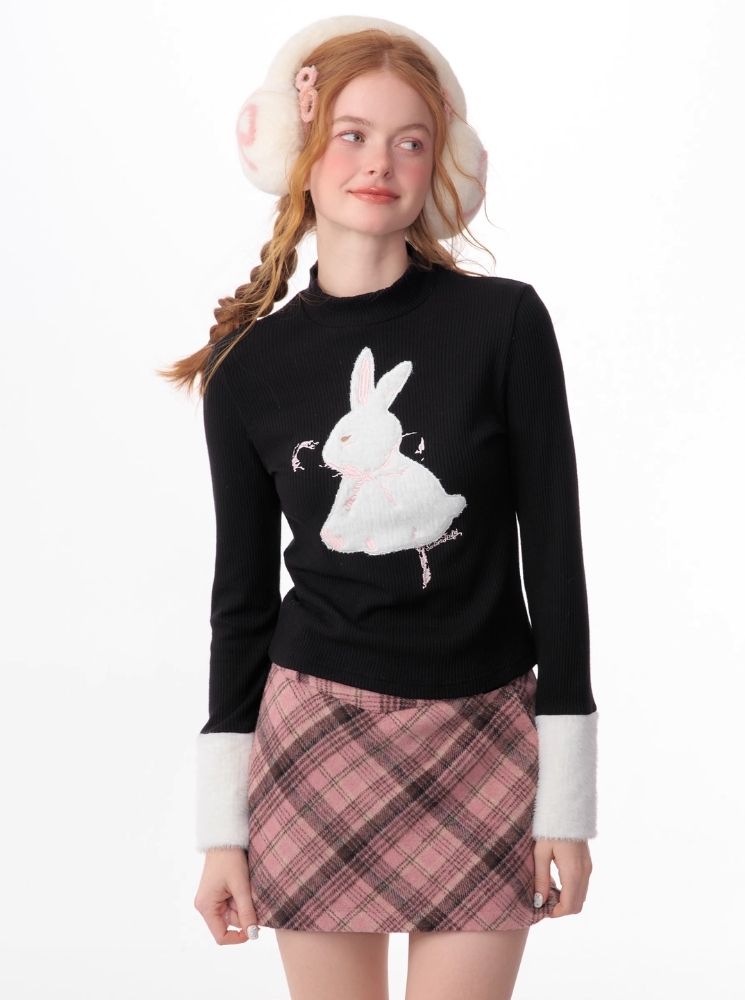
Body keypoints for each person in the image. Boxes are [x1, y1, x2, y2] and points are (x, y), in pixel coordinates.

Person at [158, 15, 598, 1000]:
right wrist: (222, 830)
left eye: (410, 141)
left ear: (440, 165)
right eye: (351, 134)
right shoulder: (248, 368)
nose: (378, 163)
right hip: (314, 741)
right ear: (300, 148)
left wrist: (567, 802)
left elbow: (556, 563)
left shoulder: (506, 324)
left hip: (489, 738)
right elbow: (241, 604)